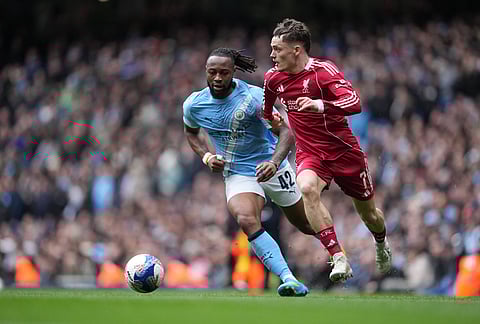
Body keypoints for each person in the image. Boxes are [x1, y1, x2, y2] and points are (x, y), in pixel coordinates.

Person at [262, 18, 392, 282]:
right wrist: (273, 121)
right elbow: (267, 110)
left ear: (296, 50)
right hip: (311, 153)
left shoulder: (323, 71)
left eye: (277, 49)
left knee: (369, 215)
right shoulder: (273, 78)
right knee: (307, 187)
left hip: (344, 152)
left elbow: (354, 102)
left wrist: (319, 105)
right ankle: (338, 256)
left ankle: (381, 242)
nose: (272, 54)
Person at [184, 47, 318, 296]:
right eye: (212, 72)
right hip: (238, 173)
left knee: (307, 225)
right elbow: (191, 132)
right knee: (246, 219)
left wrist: (275, 163)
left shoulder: (255, 98)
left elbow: (286, 132)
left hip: (270, 165)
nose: (217, 78)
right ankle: (289, 279)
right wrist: (206, 156)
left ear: (233, 72)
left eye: (224, 72)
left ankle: (338, 253)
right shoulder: (194, 104)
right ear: (205, 71)